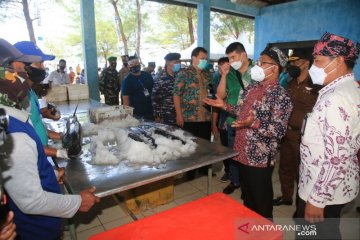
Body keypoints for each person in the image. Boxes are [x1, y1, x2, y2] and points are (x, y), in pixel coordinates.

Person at [0, 38, 100, 240]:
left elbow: (21, 173)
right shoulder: (12, 131)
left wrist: (50, 173)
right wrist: (77, 202)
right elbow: (31, 201)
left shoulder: (12, 114)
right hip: (34, 231)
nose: (22, 76)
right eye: (18, 70)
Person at [204, 46, 293, 218]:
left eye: (263, 62)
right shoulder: (253, 88)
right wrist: (224, 106)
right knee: (248, 200)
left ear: (275, 67)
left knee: (261, 201)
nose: (258, 66)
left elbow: (279, 130)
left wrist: (254, 123)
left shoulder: (280, 95)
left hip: (259, 157)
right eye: (258, 61)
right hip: (243, 151)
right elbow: (242, 111)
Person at [296, 32, 360, 239]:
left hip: (322, 189)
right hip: (334, 185)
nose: (313, 66)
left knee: (316, 235)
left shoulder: (336, 98)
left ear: (339, 60)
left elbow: (337, 157)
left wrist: (317, 200)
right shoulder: (350, 88)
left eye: (317, 60)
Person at [273, 49, 319, 207]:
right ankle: (286, 197)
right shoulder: (290, 82)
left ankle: (302, 204)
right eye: (291, 62)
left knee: (302, 172)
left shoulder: (316, 85)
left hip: (303, 136)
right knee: (285, 167)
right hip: (287, 133)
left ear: (306, 63)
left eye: (296, 61)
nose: (293, 64)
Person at [14, 40, 68, 159]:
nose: (43, 68)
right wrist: (58, 153)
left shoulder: (30, 91)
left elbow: (36, 126)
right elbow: (23, 143)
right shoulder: (15, 99)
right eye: (39, 64)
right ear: (21, 66)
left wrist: (61, 136)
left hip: (41, 155)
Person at [216, 42, 255, 194]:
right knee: (233, 154)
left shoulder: (257, 71)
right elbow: (220, 96)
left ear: (243, 55)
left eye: (233, 57)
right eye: (229, 58)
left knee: (249, 156)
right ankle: (234, 180)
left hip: (252, 123)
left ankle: (248, 184)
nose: (231, 61)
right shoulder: (230, 72)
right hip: (234, 121)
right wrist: (224, 75)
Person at [173, 47, 214, 141]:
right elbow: (176, 95)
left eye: (205, 59)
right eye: (201, 58)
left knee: (204, 146)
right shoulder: (184, 74)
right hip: (189, 119)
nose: (204, 61)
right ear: (193, 58)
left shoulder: (208, 75)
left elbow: (211, 93)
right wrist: (179, 115)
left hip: (205, 118)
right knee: (189, 147)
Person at [212, 57, 233, 183]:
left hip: (233, 119)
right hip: (223, 120)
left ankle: (235, 175)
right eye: (220, 67)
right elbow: (216, 105)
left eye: (224, 67)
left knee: (233, 148)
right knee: (225, 148)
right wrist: (214, 123)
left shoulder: (236, 81)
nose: (221, 70)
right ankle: (228, 171)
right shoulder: (219, 81)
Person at [151, 52, 181, 125]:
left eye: (179, 62)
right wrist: (157, 115)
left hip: (180, 113)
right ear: (167, 63)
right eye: (175, 62)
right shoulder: (160, 77)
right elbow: (155, 98)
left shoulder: (180, 75)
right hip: (166, 115)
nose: (178, 64)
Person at [122, 56, 154, 120]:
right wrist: (128, 116)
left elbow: (154, 91)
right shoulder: (127, 81)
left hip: (150, 111)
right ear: (128, 67)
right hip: (136, 114)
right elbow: (126, 100)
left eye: (136, 63)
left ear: (139, 64)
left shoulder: (147, 75)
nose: (134, 66)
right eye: (131, 64)